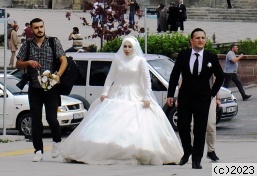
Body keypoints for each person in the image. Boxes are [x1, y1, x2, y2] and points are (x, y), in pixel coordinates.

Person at [61, 36, 182, 165]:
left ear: (134, 47)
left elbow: (147, 81)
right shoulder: (117, 60)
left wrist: (147, 97)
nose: (127, 49)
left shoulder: (140, 61)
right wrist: (105, 92)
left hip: (135, 94)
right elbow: (110, 77)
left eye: (130, 46)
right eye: (125, 46)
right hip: (117, 91)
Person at [166, 27, 224, 170]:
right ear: (191, 40)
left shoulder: (211, 56)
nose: (200, 40)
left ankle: (197, 159)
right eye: (197, 38)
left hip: (203, 98)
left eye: (203, 38)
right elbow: (175, 75)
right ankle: (187, 151)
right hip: (185, 97)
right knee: (183, 126)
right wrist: (170, 94)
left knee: (200, 129)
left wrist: (212, 93)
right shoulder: (184, 55)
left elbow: (220, 76)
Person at [16, 17, 67, 162]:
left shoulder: (53, 41)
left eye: (41, 27)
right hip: (34, 88)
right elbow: (18, 64)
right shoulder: (27, 45)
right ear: (31, 30)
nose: (40, 30)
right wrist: (28, 62)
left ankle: (57, 142)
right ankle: (38, 150)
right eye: (36, 27)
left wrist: (58, 75)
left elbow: (63, 60)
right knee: (36, 120)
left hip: (51, 88)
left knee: (52, 118)